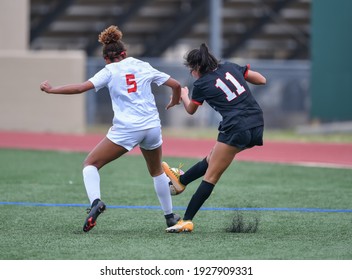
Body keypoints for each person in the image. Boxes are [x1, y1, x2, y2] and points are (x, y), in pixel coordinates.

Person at [40, 25, 182, 232]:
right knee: (157, 171)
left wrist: (52, 90)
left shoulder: (108, 70)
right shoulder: (142, 65)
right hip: (151, 126)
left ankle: (96, 202)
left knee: (90, 164)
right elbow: (176, 85)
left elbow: (81, 88)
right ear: (125, 54)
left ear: (106, 58)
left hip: (127, 129)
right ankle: (169, 217)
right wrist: (174, 102)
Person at [162, 43, 266, 233]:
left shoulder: (200, 84)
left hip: (236, 126)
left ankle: (186, 220)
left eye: (191, 70)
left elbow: (191, 110)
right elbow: (261, 80)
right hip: (257, 124)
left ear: (197, 68)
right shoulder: (230, 66)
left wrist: (184, 95)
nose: (191, 74)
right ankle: (181, 182)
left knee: (211, 176)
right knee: (212, 158)